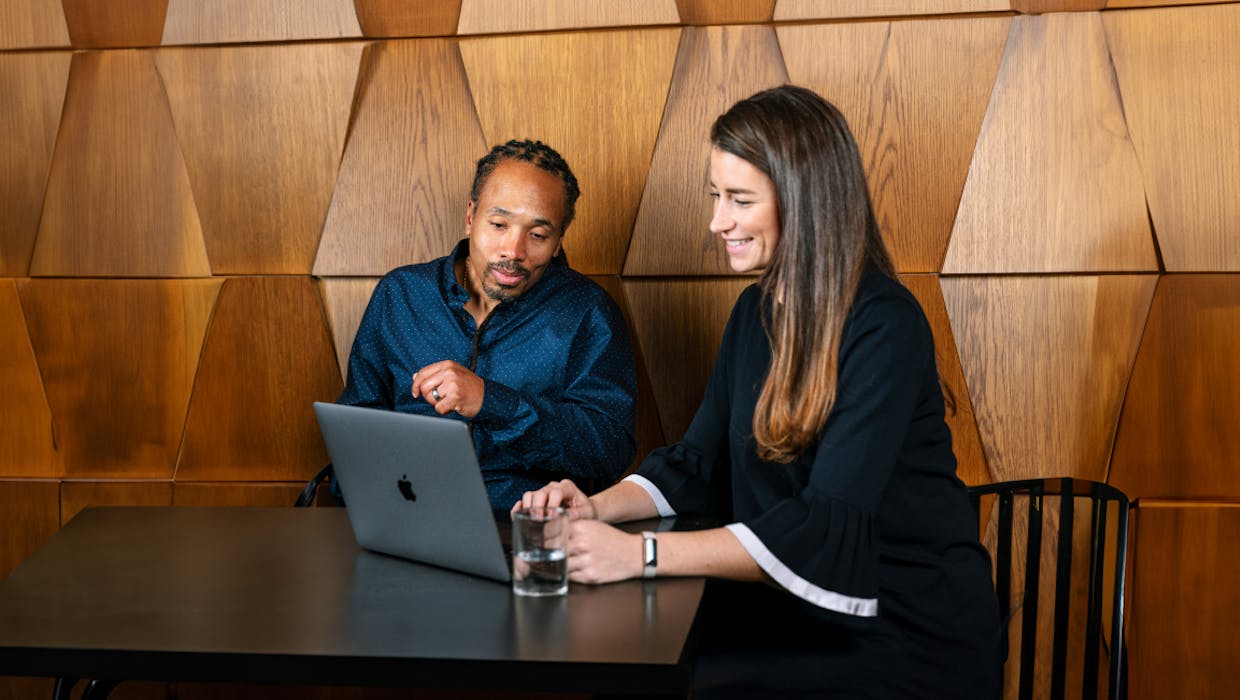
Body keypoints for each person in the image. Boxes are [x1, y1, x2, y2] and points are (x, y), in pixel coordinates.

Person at [517, 87, 1000, 698]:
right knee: (623, 657)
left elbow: (824, 522)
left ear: (806, 204)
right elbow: (696, 461)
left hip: (902, 630)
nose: (717, 221)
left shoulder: (885, 323)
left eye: (740, 200)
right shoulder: (753, 312)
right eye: (716, 197)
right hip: (794, 608)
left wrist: (638, 555)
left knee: (687, 681)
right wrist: (594, 508)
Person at [339, 139, 637, 511]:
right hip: (404, 515)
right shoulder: (401, 295)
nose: (513, 251)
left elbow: (609, 449)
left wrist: (491, 402)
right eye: (498, 224)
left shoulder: (588, 312)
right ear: (470, 216)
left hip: (523, 530)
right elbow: (355, 426)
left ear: (559, 241)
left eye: (539, 235)